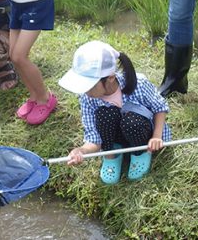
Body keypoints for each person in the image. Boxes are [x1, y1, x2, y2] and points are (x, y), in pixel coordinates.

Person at [58, 41, 171, 184]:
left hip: (141, 133)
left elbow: (159, 107)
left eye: (90, 86)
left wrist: (156, 137)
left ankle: (140, 153)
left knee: (131, 121)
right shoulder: (87, 98)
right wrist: (82, 151)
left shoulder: (139, 84)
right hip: (115, 136)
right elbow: (93, 137)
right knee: (105, 114)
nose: (86, 91)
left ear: (110, 78)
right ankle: (111, 154)